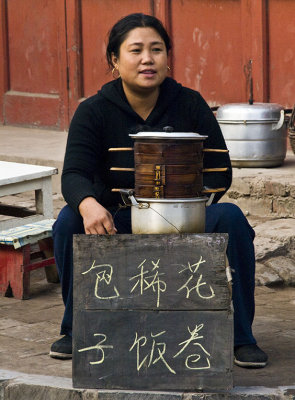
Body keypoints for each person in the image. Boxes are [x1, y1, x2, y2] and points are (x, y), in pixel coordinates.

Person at [50, 13, 268, 368]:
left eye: (157, 49)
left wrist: (190, 201)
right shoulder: (94, 110)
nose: (147, 59)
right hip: (117, 217)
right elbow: (74, 172)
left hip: (181, 216)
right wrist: (89, 204)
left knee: (232, 218)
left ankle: (241, 336)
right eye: (135, 50)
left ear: (168, 57)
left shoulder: (189, 103)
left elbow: (219, 170)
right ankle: (76, 329)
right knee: (66, 222)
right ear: (115, 60)